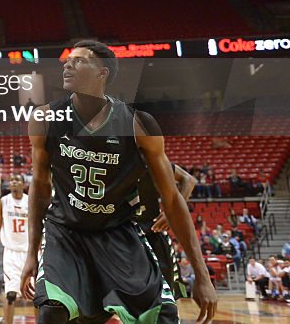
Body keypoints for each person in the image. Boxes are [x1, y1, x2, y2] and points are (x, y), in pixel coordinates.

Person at [19, 41, 217, 324]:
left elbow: (172, 199)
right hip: (66, 233)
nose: (67, 64)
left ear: (102, 72)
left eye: (79, 60)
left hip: (117, 232)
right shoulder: (45, 118)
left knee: (161, 316)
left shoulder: (139, 125)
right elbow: (39, 188)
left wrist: (202, 274)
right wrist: (31, 253)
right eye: (67, 60)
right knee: (52, 311)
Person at [134, 162, 196, 298]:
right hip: (123, 236)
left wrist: (174, 210)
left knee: (165, 300)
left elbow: (189, 180)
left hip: (153, 234)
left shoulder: (149, 160)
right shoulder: (109, 159)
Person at [0, 174, 29, 324]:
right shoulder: (1, 203)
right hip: (11, 253)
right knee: (11, 295)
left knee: (37, 296)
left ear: (24, 184)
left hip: (30, 253)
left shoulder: (31, 201)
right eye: (11, 180)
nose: (13, 182)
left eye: (17, 180)